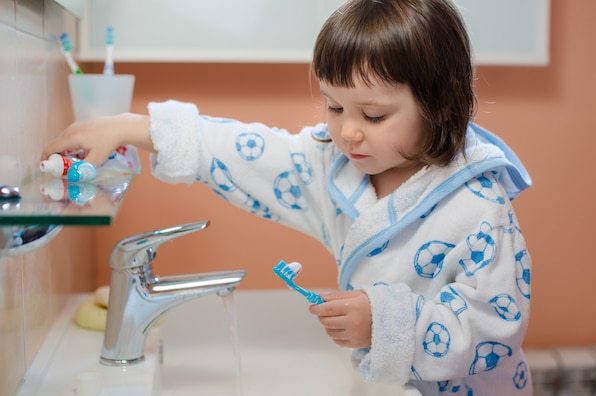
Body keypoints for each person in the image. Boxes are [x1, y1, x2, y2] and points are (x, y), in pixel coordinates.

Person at [43, 0, 533, 394]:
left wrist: (386, 325)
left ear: (440, 104)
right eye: (334, 105)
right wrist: (133, 127)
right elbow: (256, 154)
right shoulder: (336, 169)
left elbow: (495, 323)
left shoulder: (478, 206)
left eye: (374, 115)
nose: (347, 132)